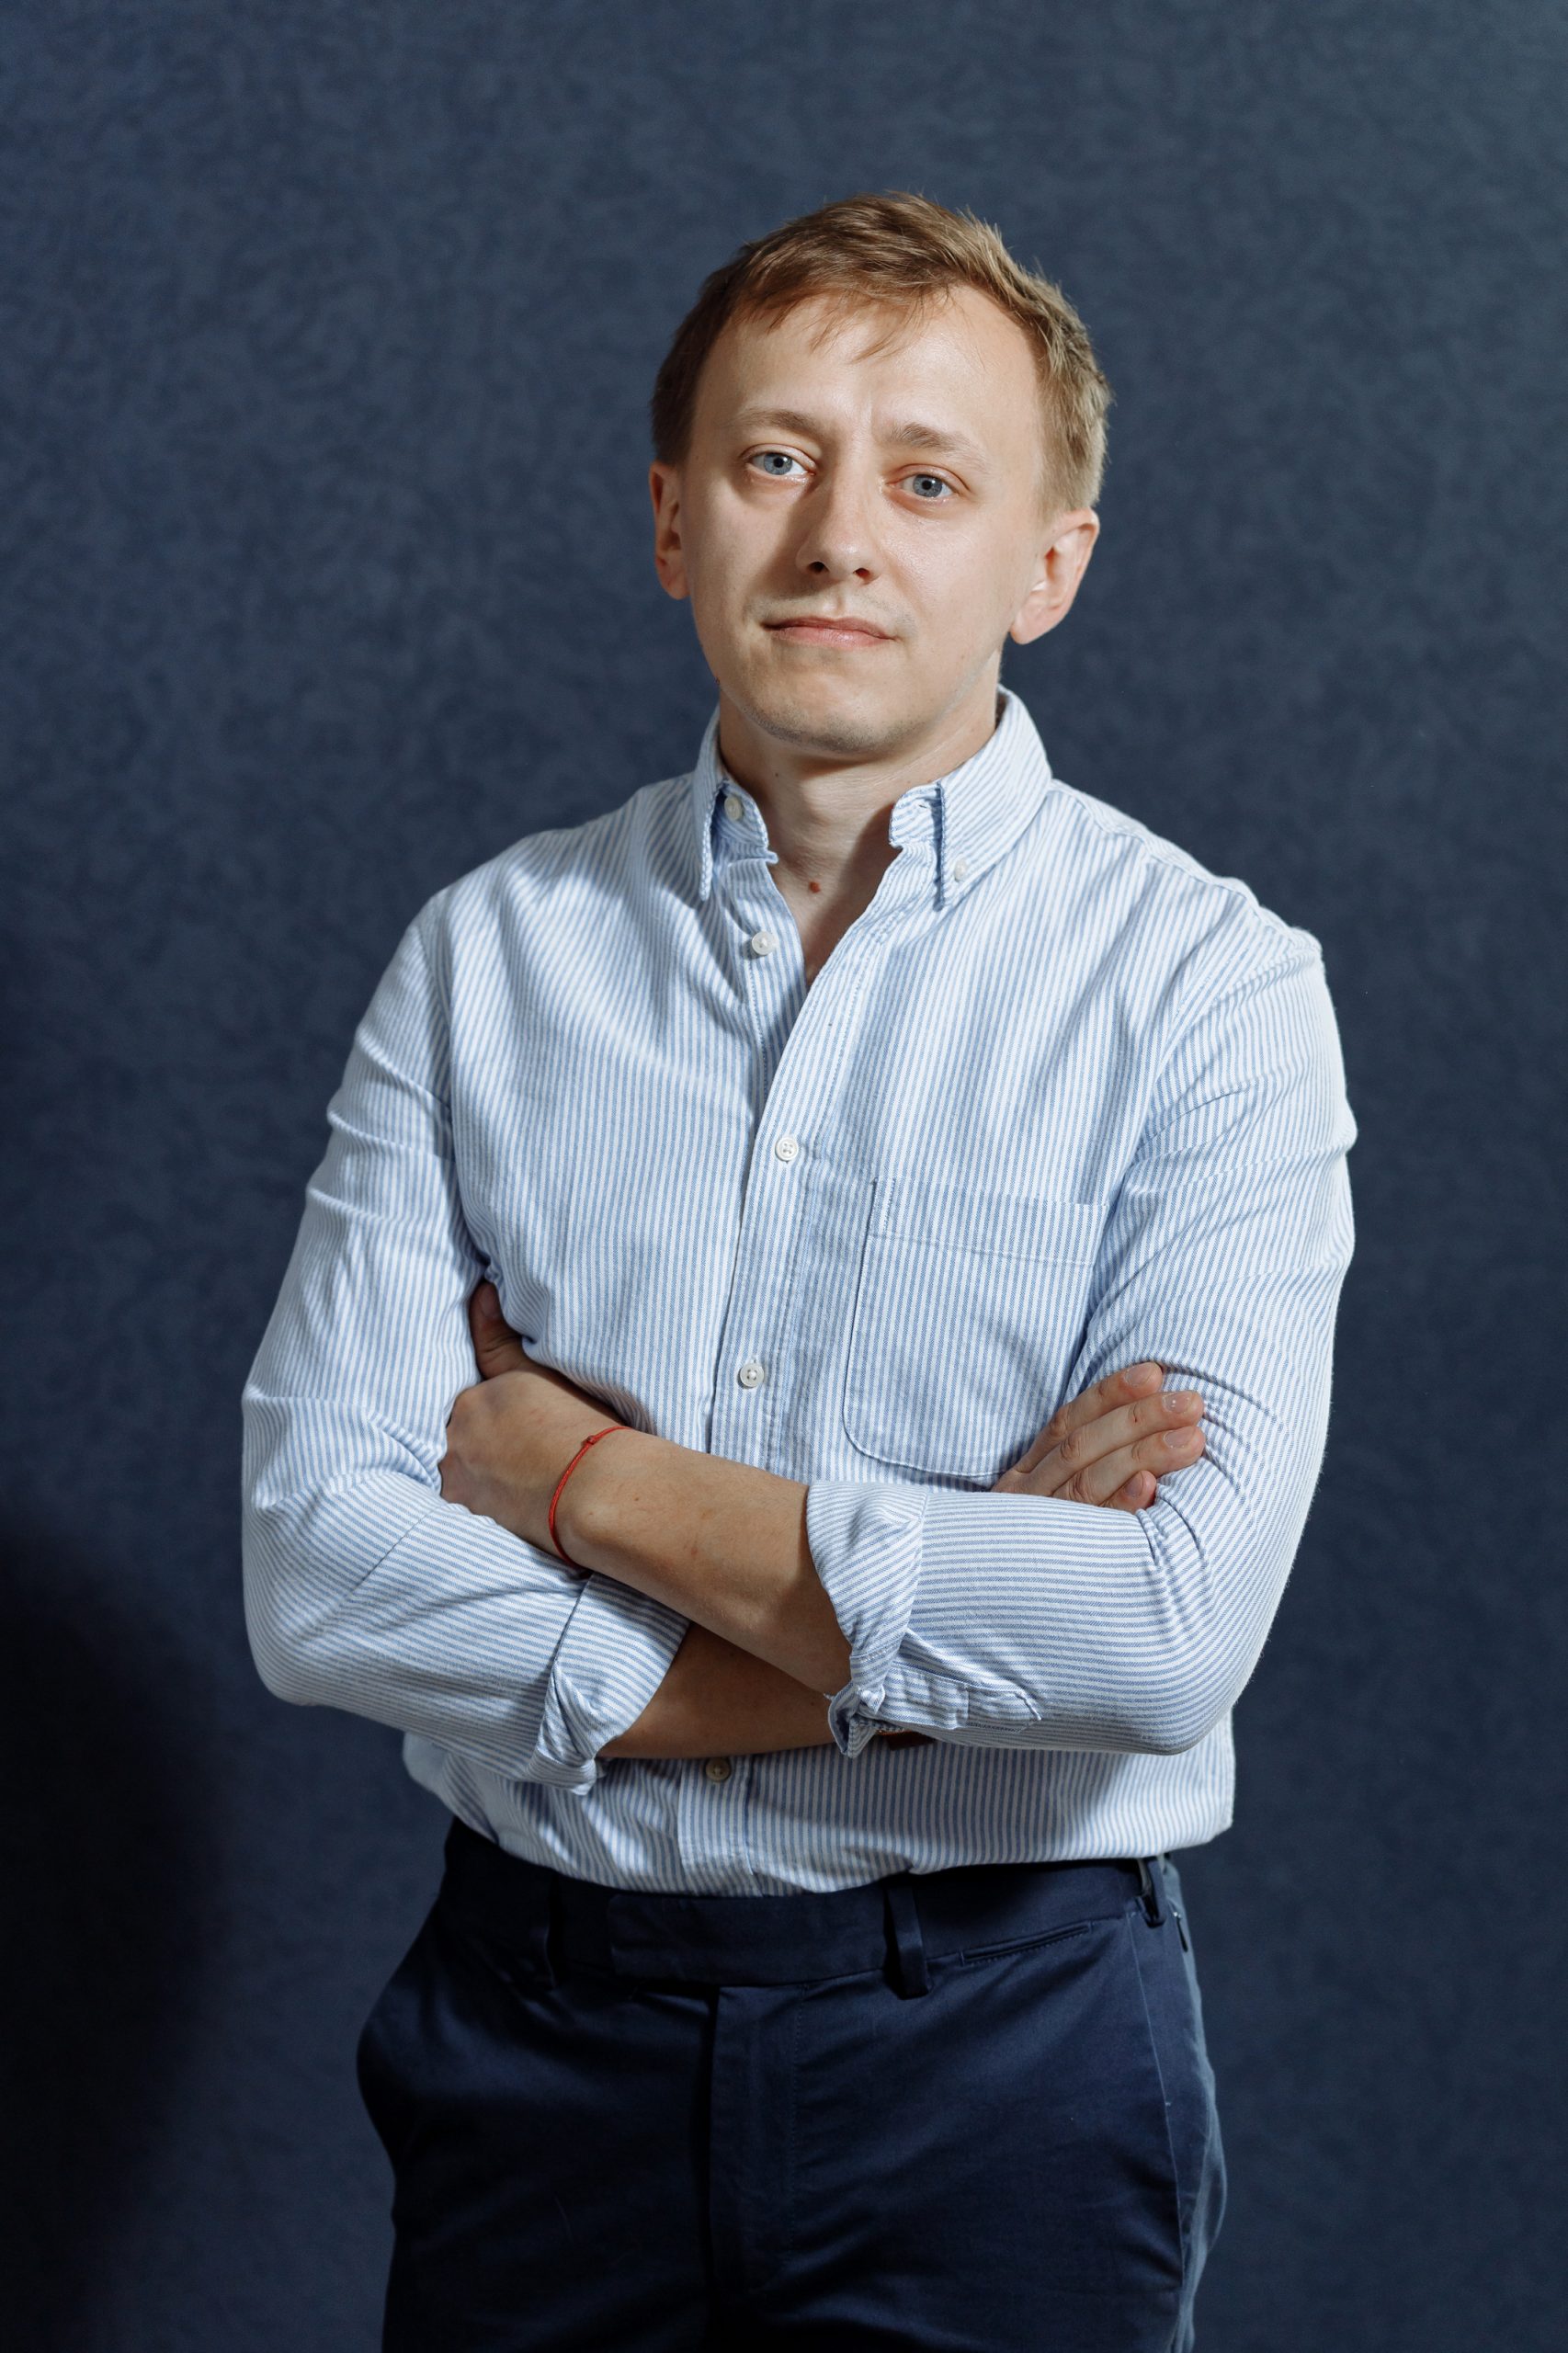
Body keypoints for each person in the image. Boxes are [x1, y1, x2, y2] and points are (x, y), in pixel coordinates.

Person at [241, 188, 1357, 2351]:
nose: (839, 537)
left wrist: (584, 1483)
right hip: (536, 2040)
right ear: (676, 522)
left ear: (1046, 564)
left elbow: (1157, 1632)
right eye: (776, 459)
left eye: (928, 479)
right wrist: (937, 1615)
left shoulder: (1210, 991)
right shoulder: (488, 960)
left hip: (1003, 2052)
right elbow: (319, 1574)